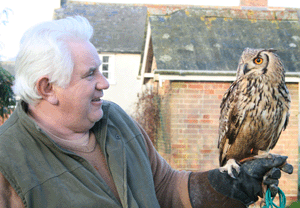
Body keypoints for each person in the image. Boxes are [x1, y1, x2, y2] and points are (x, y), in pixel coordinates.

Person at [0, 16, 292, 208]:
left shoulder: (114, 120)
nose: (104, 82)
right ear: (47, 88)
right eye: (90, 75)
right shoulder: (7, 161)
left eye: (101, 70)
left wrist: (225, 184)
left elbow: (165, 186)